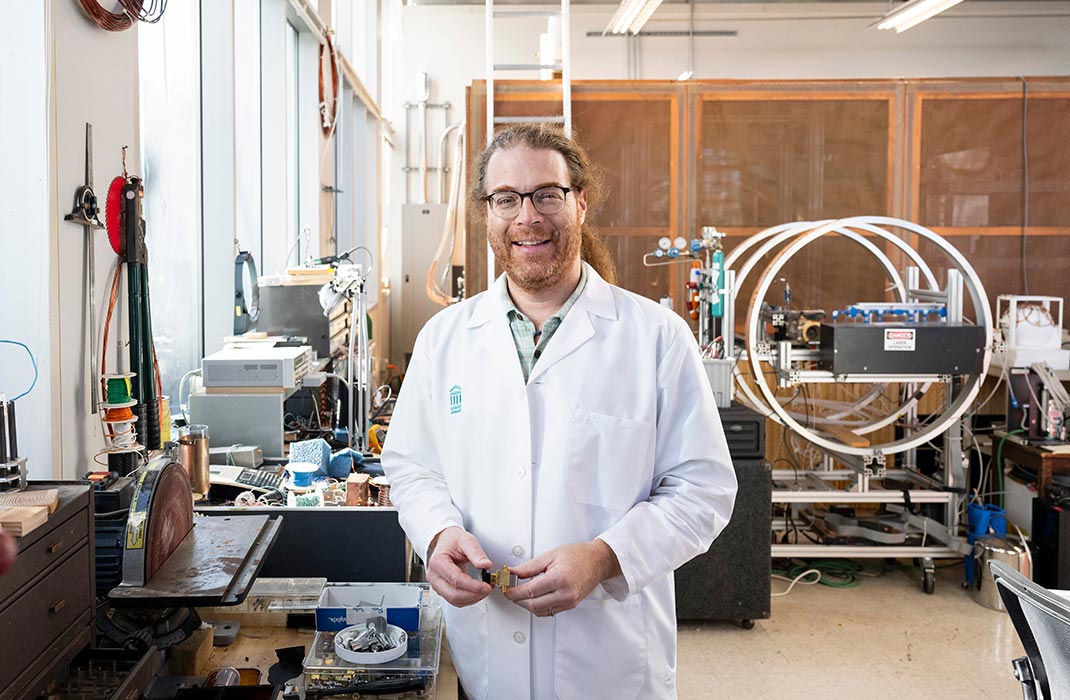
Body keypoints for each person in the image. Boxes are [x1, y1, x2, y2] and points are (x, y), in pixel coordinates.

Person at [382, 123, 737, 700]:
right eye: (506, 199)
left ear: (581, 202)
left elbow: (704, 490)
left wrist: (604, 558)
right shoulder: (445, 339)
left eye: (548, 194)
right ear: (487, 213)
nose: (528, 217)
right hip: (486, 658)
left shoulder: (655, 338)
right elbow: (412, 467)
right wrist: (437, 532)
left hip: (611, 664)